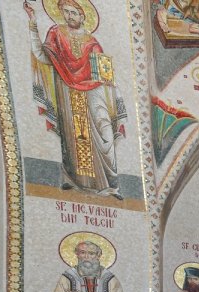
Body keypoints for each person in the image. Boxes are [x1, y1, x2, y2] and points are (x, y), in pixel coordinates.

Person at [24, 0, 126, 198]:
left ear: (82, 15)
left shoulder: (92, 42)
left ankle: (112, 184)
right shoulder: (56, 34)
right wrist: (33, 23)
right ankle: (74, 180)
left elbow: (104, 74)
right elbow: (42, 56)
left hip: (94, 92)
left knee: (104, 132)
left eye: (73, 12)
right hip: (67, 92)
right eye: (66, 12)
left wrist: (112, 92)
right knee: (74, 136)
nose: (69, 16)